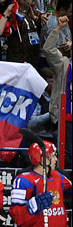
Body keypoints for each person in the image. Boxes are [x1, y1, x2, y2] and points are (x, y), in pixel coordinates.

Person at [9, 141, 72, 227]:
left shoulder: (58, 177)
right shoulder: (23, 180)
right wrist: (33, 205)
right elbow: (16, 215)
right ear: (42, 159)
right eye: (53, 156)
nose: (56, 159)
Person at [42, 15, 71, 168]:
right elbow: (48, 49)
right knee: (64, 161)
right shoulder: (64, 65)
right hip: (63, 120)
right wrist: (58, 28)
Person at [6, 0, 41, 68]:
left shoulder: (34, 14)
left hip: (34, 57)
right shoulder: (12, 15)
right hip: (18, 58)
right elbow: (8, 30)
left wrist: (34, 17)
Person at [40, 0, 72, 65]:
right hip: (51, 65)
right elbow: (59, 52)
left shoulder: (64, 18)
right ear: (62, 10)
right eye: (71, 11)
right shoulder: (52, 24)